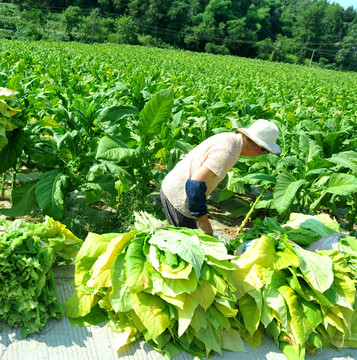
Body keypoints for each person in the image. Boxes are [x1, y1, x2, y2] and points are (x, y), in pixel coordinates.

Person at [160, 119, 281, 236]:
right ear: (258, 147)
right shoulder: (227, 151)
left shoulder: (231, 140)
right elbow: (195, 184)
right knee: (188, 248)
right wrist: (203, 220)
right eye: (264, 152)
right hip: (179, 196)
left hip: (178, 189)